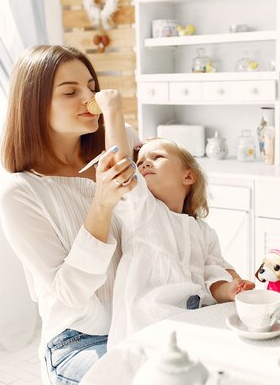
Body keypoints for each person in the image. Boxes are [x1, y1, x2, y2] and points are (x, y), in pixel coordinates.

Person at [0, 45, 136, 385]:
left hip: (138, 321)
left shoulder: (118, 144)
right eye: (70, 91)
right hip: (78, 342)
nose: (90, 99)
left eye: (91, 86)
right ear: (34, 105)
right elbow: (70, 292)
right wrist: (101, 204)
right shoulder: (21, 193)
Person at [94, 92, 255, 348]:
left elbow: (215, 274)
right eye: (141, 161)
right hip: (149, 330)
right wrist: (113, 109)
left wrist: (232, 289)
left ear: (188, 177)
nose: (144, 163)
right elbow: (120, 165)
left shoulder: (203, 231)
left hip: (196, 320)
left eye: (157, 158)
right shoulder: (143, 211)